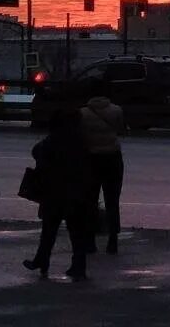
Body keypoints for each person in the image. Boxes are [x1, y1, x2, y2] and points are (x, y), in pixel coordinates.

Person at [24, 109, 93, 281]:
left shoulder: (52, 141)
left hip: (53, 191)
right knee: (76, 232)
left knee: (49, 230)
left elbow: (37, 152)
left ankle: (42, 260)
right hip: (76, 192)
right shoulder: (81, 140)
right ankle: (79, 266)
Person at [80, 87, 126, 254]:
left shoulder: (83, 113)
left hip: (92, 158)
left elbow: (81, 135)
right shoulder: (116, 110)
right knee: (112, 201)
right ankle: (113, 240)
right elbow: (120, 130)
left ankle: (90, 241)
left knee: (90, 200)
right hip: (113, 157)